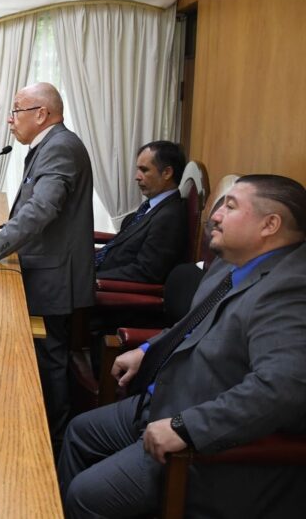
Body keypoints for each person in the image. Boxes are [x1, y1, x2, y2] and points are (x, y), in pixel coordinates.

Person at [58, 174, 306, 518]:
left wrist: (186, 427)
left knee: (85, 495)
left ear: (270, 225)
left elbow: (282, 389)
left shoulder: (290, 290)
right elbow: (194, 322)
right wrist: (147, 349)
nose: (215, 215)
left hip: (202, 440)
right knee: (78, 432)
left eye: (230, 206)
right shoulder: (231, 261)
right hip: (163, 397)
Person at [0, 82, 95, 455]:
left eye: (16, 110)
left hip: (52, 276)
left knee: (48, 361)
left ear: (41, 114)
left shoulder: (59, 147)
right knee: (44, 358)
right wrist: (1, 232)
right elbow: (38, 206)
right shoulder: (51, 144)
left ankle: (51, 446)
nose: (10, 120)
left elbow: (43, 209)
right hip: (46, 267)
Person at [96, 140, 187, 284]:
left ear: (167, 173)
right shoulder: (151, 206)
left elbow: (145, 272)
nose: (137, 177)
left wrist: (90, 277)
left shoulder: (170, 217)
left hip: (107, 286)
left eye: (144, 170)